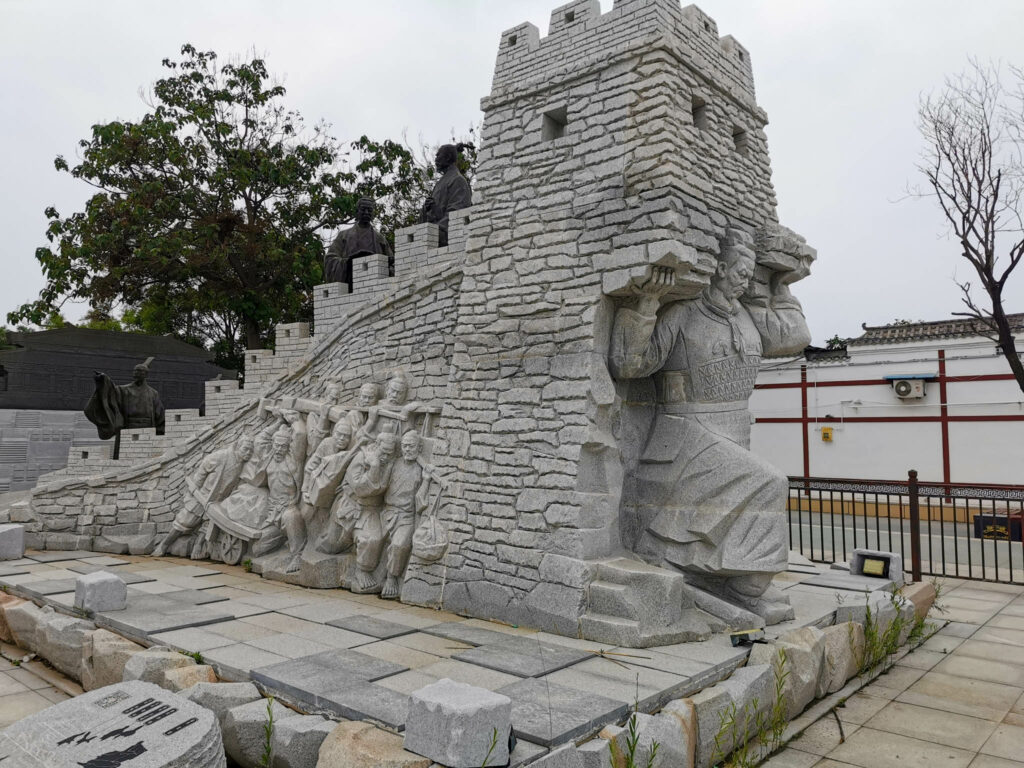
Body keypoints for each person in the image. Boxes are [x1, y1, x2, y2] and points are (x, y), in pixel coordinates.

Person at [608, 231, 811, 623]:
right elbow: (630, 365)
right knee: (770, 482)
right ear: (718, 268)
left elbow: (797, 337)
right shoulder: (684, 313)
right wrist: (648, 302)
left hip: (734, 429)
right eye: (739, 270)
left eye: (750, 272)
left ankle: (731, 577)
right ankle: (724, 575)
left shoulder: (747, 315)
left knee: (753, 490)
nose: (743, 279)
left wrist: (779, 286)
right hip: (687, 432)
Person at [316, 431, 398, 592]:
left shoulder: (389, 462)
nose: (386, 456)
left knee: (372, 539)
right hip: (350, 506)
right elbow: (361, 488)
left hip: (370, 510)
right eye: (384, 451)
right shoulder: (361, 457)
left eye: (390, 452)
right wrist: (374, 466)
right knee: (332, 546)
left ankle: (362, 570)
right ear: (376, 445)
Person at [153, 436, 255, 558]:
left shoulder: (242, 465)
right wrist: (195, 488)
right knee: (185, 520)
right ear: (238, 447)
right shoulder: (221, 456)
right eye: (245, 449)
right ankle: (164, 544)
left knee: (209, 524)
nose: (248, 453)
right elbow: (203, 468)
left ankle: (198, 545)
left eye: (250, 450)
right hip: (203, 495)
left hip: (219, 500)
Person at [378, 431, 434, 599]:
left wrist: (426, 480)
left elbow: (420, 500)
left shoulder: (420, 469)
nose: (407, 449)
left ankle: (392, 578)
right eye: (404, 446)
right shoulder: (394, 463)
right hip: (387, 512)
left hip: (406, 516)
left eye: (411, 446)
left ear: (419, 447)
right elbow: (380, 484)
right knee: (372, 541)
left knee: (399, 545)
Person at [85, 358, 165, 440]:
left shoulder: (153, 393)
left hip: (147, 428)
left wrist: (159, 432)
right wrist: (104, 380)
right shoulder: (123, 390)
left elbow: (159, 414)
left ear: (146, 374)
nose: (136, 373)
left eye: (140, 371)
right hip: (127, 427)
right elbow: (110, 392)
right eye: (135, 371)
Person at [324, 197, 393, 288]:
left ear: (373, 213)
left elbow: (393, 264)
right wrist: (348, 262)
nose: (366, 213)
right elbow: (330, 259)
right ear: (357, 211)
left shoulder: (380, 239)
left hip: (376, 286)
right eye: (363, 209)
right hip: (351, 285)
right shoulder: (344, 236)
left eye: (370, 210)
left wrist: (384, 265)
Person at [419, 143, 473, 247]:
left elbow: (456, 212)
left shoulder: (457, 180)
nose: (435, 159)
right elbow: (435, 213)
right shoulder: (441, 182)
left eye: (438, 155)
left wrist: (435, 228)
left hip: (447, 234)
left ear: (448, 157)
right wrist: (428, 208)